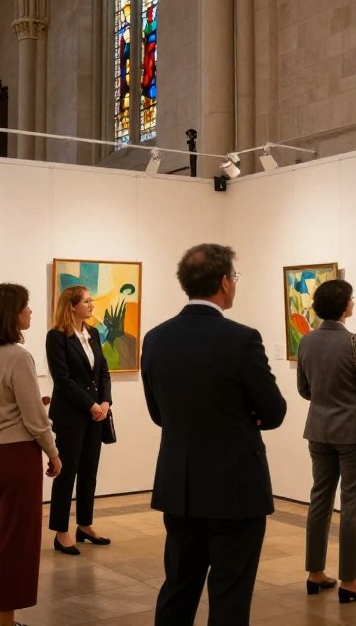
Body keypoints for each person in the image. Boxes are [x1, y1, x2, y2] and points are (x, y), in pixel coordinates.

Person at [141, 243, 287, 625]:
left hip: (180, 485)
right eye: (234, 278)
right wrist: (243, 417)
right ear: (224, 282)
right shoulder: (241, 338)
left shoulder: (156, 338)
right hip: (234, 487)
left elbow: (158, 414)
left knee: (178, 588)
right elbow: (273, 411)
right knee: (230, 595)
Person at [0, 283, 61, 626]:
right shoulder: (19, 356)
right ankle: (6, 621)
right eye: (26, 306)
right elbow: (35, 421)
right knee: (16, 537)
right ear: (12, 314)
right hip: (16, 455)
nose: (30, 312)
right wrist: (53, 453)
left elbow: (2, 403)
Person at [297, 279, 356, 604]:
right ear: (344, 305)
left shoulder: (306, 341)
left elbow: (304, 390)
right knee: (352, 505)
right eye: (352, 299)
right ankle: (349, 580)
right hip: (351, 432)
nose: (354, 303)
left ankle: (315, 573)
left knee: (319, 499)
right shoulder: (354, 342)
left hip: (318, 430)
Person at [45, 285, 112, 554]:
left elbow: (103, 371)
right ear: (72, 305)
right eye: (87, 301)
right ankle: (61, 531)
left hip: (96, 414)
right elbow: (62, 379)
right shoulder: (57, 336)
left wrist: (105, 402)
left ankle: (84, 525)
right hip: (71, 414)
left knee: (89, 471)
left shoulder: (93, 333)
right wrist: (91, 404)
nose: (92, 305)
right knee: (67, 472)